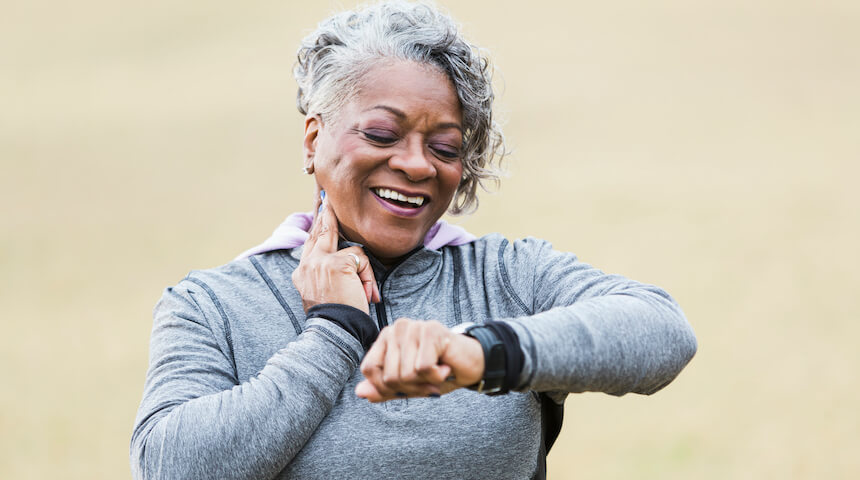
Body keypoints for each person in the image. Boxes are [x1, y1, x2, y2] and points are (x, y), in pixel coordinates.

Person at [130, 2, 697, 479]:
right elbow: (167, 465)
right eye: (382, 133)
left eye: (445, 148)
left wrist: (475, 353)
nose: (416, 164)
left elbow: (662, 331)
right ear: (314, 138)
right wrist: (333, 334)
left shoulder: (506, 275)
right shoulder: (213, 305)